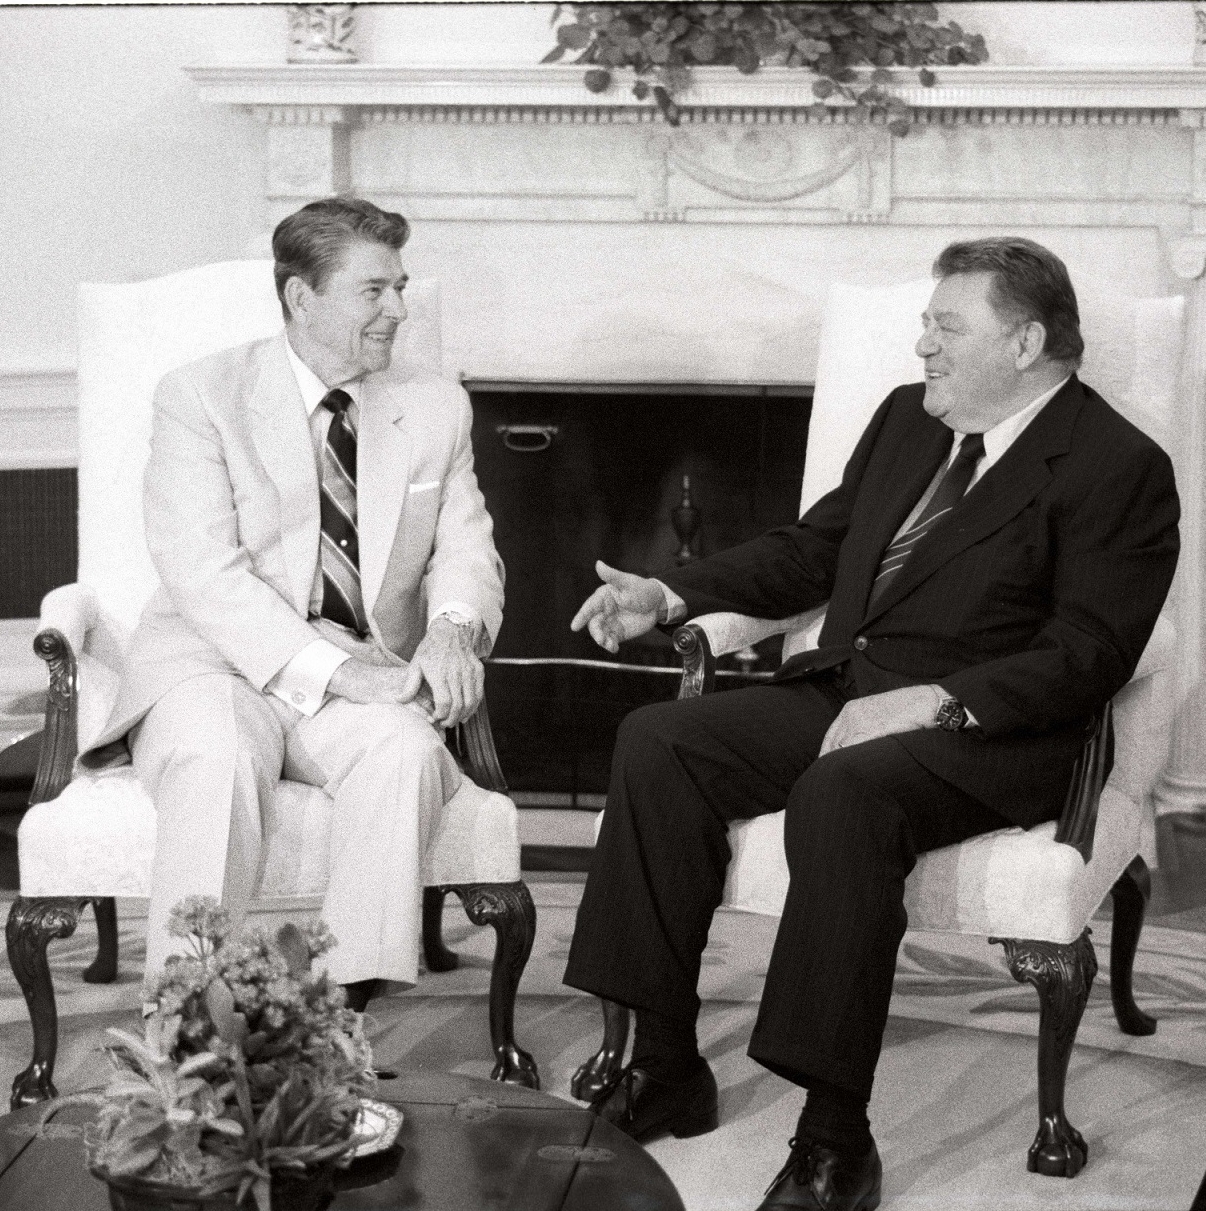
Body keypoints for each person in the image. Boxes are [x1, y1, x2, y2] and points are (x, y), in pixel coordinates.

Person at [562, 237, 1180, 1211]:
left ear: (1023, 342)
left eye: (946, 325)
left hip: (992, 732)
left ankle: (833, 1139)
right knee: (658, 741)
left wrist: (930, 701)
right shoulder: (907, 419)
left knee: (843, 790)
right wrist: (672, 594)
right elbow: (814, 551)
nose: (922, 342)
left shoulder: (1120, 465)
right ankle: (669, 1059)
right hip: (850, 689)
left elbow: (1090, 653)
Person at [88, 196, 504, 1013]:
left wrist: (454, 629)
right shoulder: (200, 395)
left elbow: (466, 546)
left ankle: (337, 1016)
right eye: (373, 290)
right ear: (300, 298)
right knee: (217, 759)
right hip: (214, 662)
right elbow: (206, 573)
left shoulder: (434, 406)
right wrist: (341, 675)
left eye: (401, 286)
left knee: (405, 752)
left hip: (363, 664)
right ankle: (187, 1026)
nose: (398, 309)